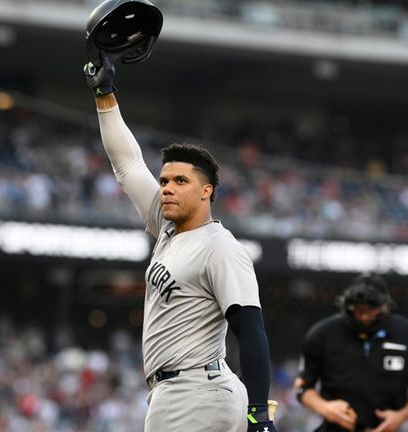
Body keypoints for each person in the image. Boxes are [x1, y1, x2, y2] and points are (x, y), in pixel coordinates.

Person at [83, 55, 278, 432]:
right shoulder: (168, 228)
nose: (167, 188)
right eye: (165, 181)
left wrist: (259, 413)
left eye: (180, 182)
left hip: (197, 392)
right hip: (178, 393)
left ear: (207, 191)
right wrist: (105, 95)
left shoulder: (220, 247)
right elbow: (127, 165)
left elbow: (251, 331)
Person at [293, 272, 408, 431]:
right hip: (334, 428)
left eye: (370, 309)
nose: (364, 316)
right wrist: (324, 407)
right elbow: (302, 385)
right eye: (358, 309)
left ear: (385, 306)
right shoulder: (322, 333)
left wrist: (401, 416)